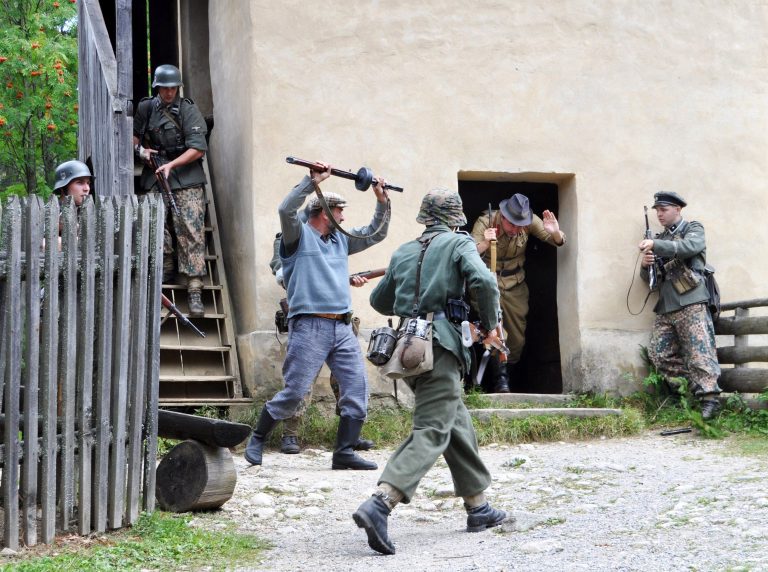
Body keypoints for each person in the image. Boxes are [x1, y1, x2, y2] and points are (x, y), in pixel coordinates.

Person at [352, 188, 507, 556]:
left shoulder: (405, 251)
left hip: (409, 349)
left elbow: (379, 300)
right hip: (442, 346)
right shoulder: (458, 243)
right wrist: (490, 323)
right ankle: (382, 501)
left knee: (455, 422)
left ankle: (477, 506)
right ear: (456, 218)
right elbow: (484, 282)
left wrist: (414, 301)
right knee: (434, 427)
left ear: (424, 218)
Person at [244, 162, 389, 470]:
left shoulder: (341, 240)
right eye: (339, 212)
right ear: (324, 212)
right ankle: (257, 437)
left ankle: (344, 452)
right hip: (309, 324)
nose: (344, 217)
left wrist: (381, 200)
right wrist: (311, 182)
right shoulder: (296, 236)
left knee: (356, 386)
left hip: (341, 325)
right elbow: (286, 209)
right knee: (295, 390)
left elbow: (374, 234)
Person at [269, 223, 374, 455]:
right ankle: (290, 434)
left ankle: (351, 434)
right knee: (301, 382)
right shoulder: (289, 238)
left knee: (349, 381)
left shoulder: (336, 239)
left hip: (339, 320)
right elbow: (283, 273)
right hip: (309, 321)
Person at [133, 64, 208, 318]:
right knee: (153, 221)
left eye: (172, 88)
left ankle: (194, 287)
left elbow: (198, 148)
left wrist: (172, 165)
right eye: (164, 88)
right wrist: (140, 152)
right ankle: (163, 267)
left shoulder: (188, 109)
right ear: (157, 88)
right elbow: (133, 137)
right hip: (155, 172)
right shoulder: (146, 108)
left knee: (190, 225)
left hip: (185, 172)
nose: (168, 93)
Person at [470, 194, 566, 392]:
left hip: (515, 284)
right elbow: (469, 252)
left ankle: (510, 374)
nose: (516, 229)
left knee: (516, 338)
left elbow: (555, 240)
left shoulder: (528, 222)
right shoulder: (486, 221)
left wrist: (555, 233)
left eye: (520, 225)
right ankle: (500, 381)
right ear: (503, 217)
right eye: (512, 224)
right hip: (487, 284)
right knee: (496, 331)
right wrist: (486, 244)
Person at [639, 191, 721, 420]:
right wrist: (647, 265)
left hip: (691, 301)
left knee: (699, 353)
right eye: (657, 210)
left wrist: (656, 244)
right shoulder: (661, 237)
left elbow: (690, 247)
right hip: (666, 306)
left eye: (663, 210)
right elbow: (650, 279)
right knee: (658, 353)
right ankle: (692, 391)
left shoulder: (692, 229)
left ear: (678, 209)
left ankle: (709, 399)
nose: (659, 214)